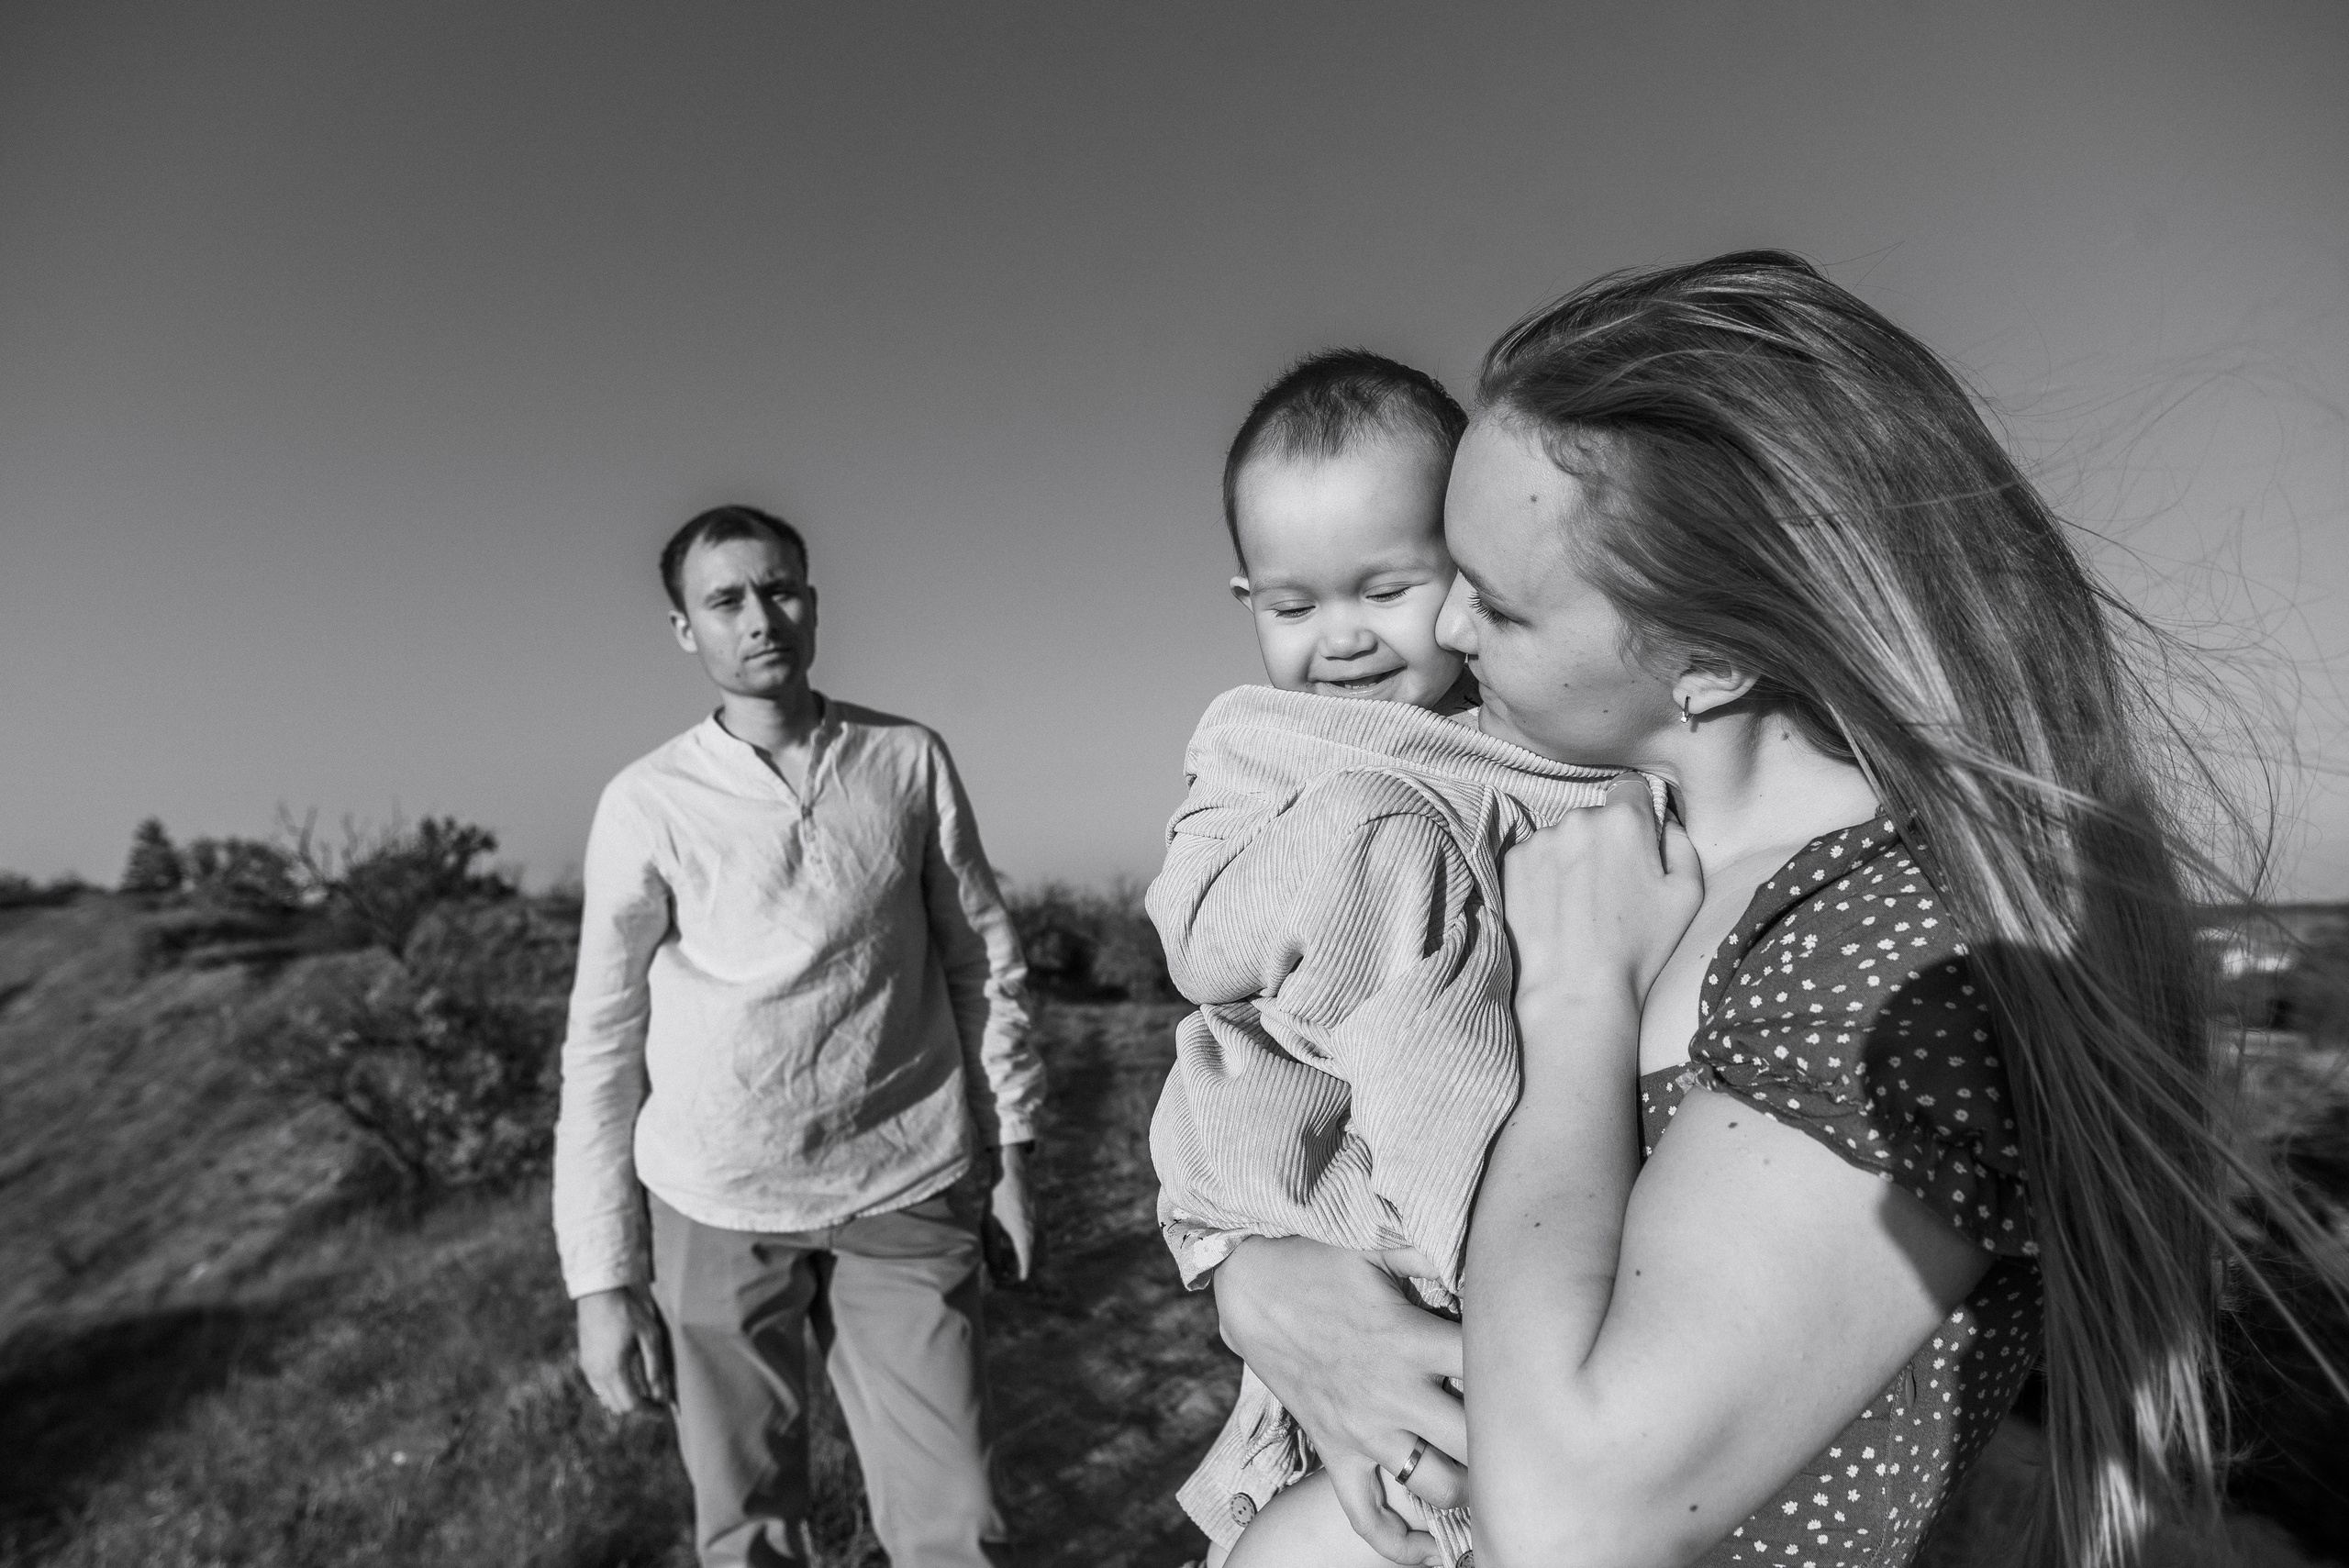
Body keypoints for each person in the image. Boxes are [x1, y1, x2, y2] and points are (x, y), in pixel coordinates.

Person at [1204, 253, 2268, 1568]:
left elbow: (1571, 1518)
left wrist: (1577, 1003)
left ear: (1710, 660)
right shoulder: (1568, 826)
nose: (1450, 625)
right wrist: (1263, 1278)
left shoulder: (1894, 948)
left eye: (1502, 598)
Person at [1148, 350, 1652, 1565]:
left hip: (1506, 1210)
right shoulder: (1265, 742)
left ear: (1468, 574)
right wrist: (1360, 834)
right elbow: (1198, 930)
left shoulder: (1532, 732)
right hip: (1330, 1177)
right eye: (1294, 605)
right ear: (1246, 597)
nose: (1343, 640)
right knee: (1384, 1476)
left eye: (1387, 588)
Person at [551, 505, 1045, 1568]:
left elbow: (979, 962)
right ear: (686, 630)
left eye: (779, 589)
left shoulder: (904, 758)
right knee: (747, 1533)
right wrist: (603, 1278)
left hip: (904, 1181)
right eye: (724, 600)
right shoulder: (646, 801)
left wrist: (1012, 1154)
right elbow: (600, 1039)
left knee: (960, 1522)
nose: (758, 617)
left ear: (812, 600)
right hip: (715, 1201)